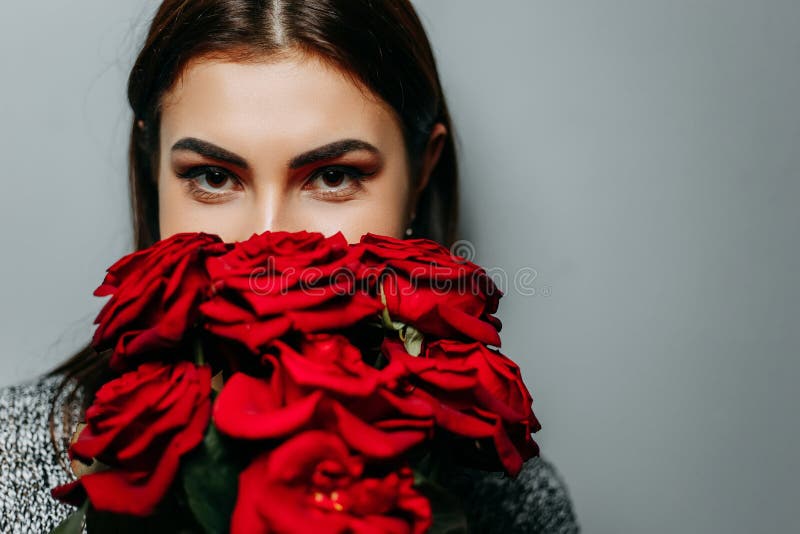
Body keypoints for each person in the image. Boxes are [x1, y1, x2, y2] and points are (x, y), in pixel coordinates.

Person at [0, 1, 580, 532]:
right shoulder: (13, 464)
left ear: (421, 172)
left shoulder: (515, 504)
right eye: (214, 176)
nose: (268, 244)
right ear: (154, 172)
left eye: (333, 177)